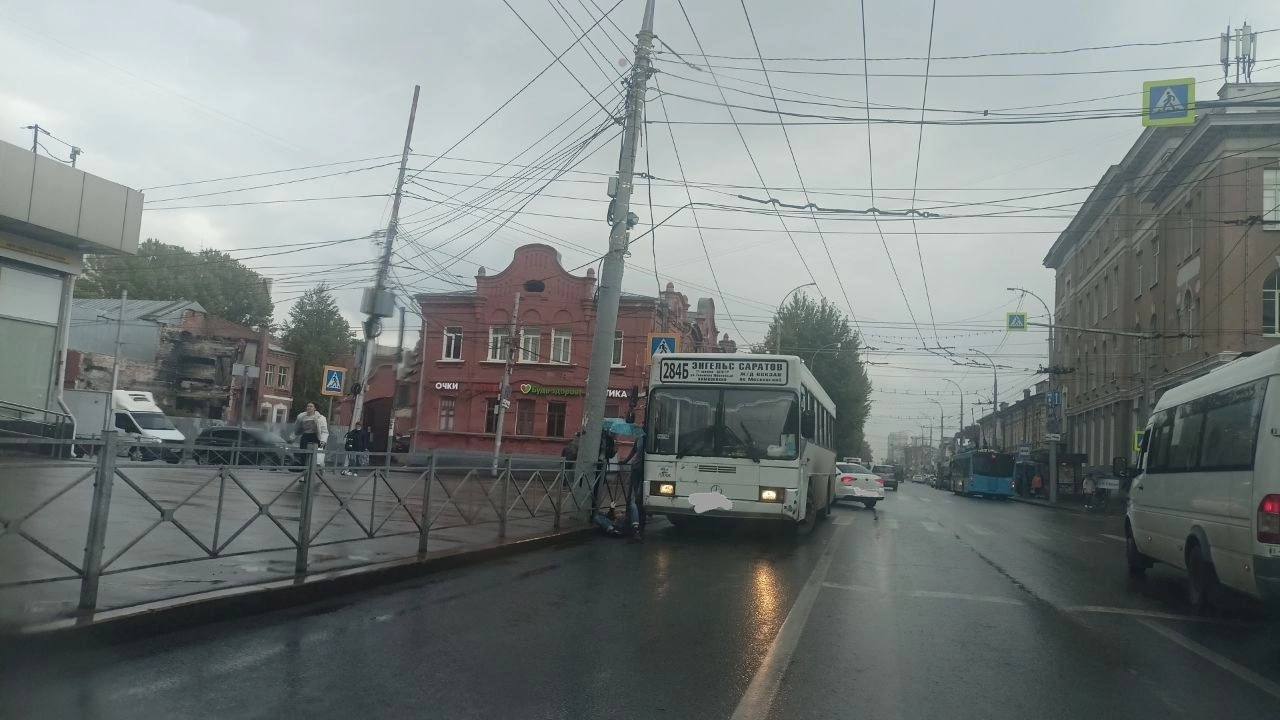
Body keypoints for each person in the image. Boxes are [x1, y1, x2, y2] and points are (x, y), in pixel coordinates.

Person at [294, 402, 329, 479]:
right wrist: (293, 436)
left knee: (315, 458)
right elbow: (297, 429)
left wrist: (323, 440)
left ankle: (320, 470)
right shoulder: (302, 417)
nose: (309, 408)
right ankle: (304, 475)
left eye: (311, 406)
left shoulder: (320, 418)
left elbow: (324, 431)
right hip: (305, 437)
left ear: (315, 408)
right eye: (308, 406)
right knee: (303, 456)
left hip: (315, 437)